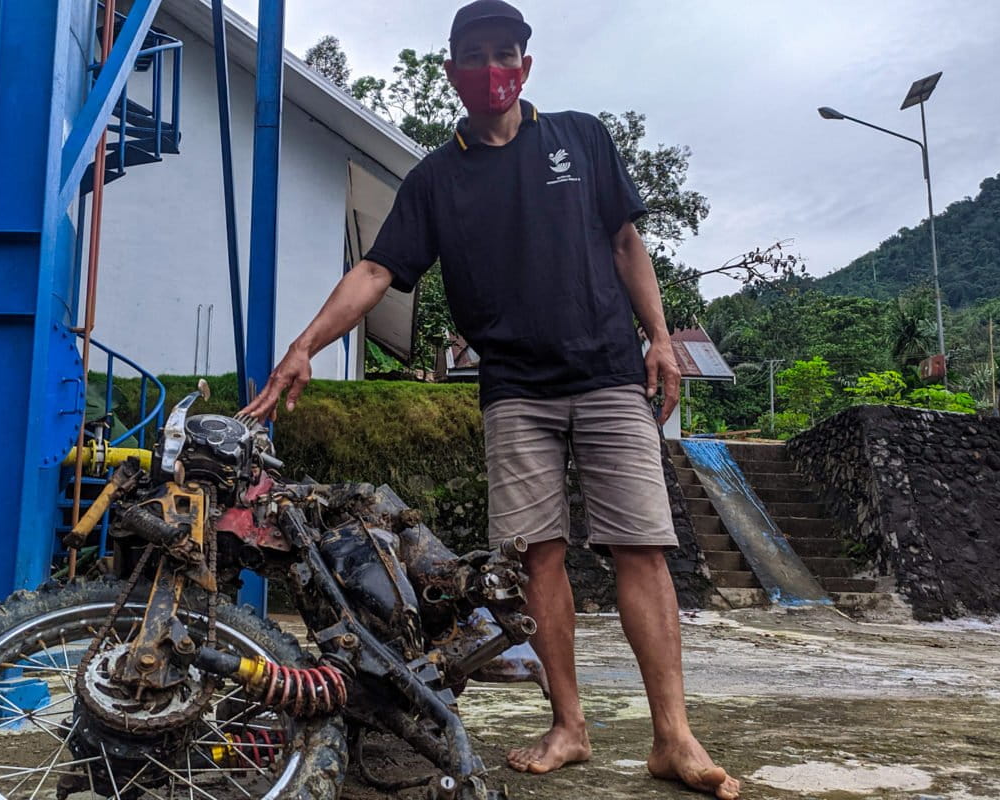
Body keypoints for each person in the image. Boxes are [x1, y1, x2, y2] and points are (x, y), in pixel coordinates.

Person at [242, 2, 740, 797]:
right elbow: (376, 271)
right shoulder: (435, 179)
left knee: (640, 548)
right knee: (536, 555)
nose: (490, 68)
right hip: (514, 391)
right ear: (451, 70)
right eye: (472, 55)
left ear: (526, 65)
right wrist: (304, 345)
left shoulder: (580, 137)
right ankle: (569, 725)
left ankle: (673, 737)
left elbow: (625, 242)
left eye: (504, 53)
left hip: (610, 373)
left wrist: (660, 337)